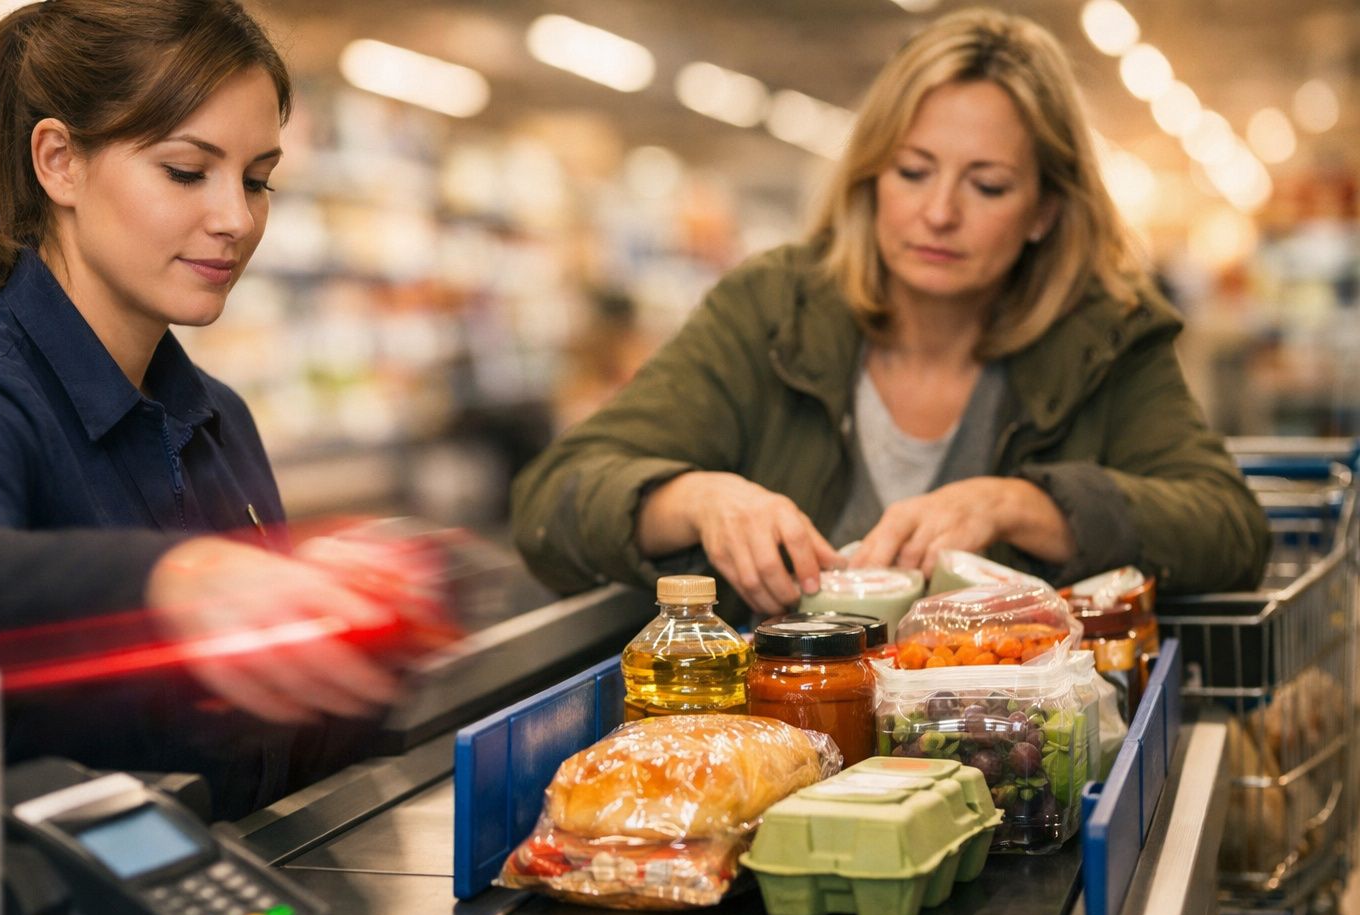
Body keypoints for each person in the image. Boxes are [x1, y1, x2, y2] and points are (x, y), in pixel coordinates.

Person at [0, 0, 399, 818]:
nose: (235, 218)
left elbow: (261, 745)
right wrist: (177, 580)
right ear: (59, 162)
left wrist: (362, 646)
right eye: (185, 170)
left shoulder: (216, 421)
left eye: (258, 179)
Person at [511, 8, 1269, 621]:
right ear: (872, 175)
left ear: (1044, 211)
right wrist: (701, 499)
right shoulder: (773, 313)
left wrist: (1024, 504)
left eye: (989, 185)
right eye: (913, 172)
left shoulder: (1103, 339)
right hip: (786, 748)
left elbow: (1226, 528)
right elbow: (554, 501)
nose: (938, 213)